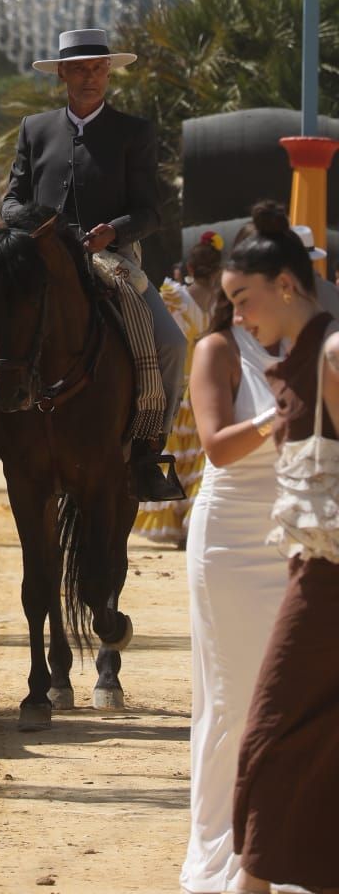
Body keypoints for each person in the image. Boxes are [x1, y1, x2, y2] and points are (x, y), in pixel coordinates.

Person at [0, 27, 185, 501]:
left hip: (109, 257)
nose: (90, 77)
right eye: (80, 69)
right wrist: (28, 224)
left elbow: (151, 211)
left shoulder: (135, 132)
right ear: (63, 74)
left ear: (108, 72)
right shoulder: (36, 127)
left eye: (97, 68)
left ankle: (150, 451)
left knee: (172, 343)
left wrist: (115, 229)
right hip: (36, 256)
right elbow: (11, 197)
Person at [227, 205, 339, 894]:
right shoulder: (302, 358)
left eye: (244, 298)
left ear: (288, 285)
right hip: (316, 570)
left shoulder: (329, 354)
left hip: (329, 580)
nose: (239, 316)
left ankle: (252, 884)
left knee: (269, 730)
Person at [181, 225, 287, 894]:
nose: (240, 309)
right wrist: (284, 412)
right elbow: (217, 445)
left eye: (247, 295)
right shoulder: (217, 347)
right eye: (232, 296)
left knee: (291, 700)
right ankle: (228, 851)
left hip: (298, 531)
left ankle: (283, 848)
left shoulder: (317, 344)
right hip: (231, 539)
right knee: (235, 699)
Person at [136, 229, 227, 549]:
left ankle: (177, 522)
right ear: (218, 271)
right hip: (212, 386)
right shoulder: (223, 302)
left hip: (181, 386)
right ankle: (196, 523)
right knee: (201, 462)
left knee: (176, 455)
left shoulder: (174, 297)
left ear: (189, 269)